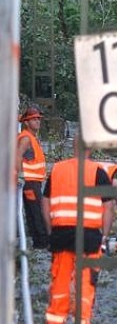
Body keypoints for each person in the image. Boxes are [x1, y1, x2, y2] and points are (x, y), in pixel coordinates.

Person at [42, 137, 114, 324]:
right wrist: (104, 236)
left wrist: (51, 230)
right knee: (86, 278)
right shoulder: (98, 171)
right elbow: (109, 208)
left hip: (61, 233)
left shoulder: (57, 170)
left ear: (73, 146)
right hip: (89, 235)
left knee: (61, 277)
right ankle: (81, 322)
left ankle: (55, 323)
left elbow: (45, 203)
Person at [17, 105, 49, 249]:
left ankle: (39, 242)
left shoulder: (31, 138)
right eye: (34, 119)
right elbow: (17, 156)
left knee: (33, 211)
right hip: (29, 182)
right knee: (37, 211)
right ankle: (42, 242)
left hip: (33, 182)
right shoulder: (26, 138)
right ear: (26, 122)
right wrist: (20, 175)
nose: (37, 121)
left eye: (38, 119)